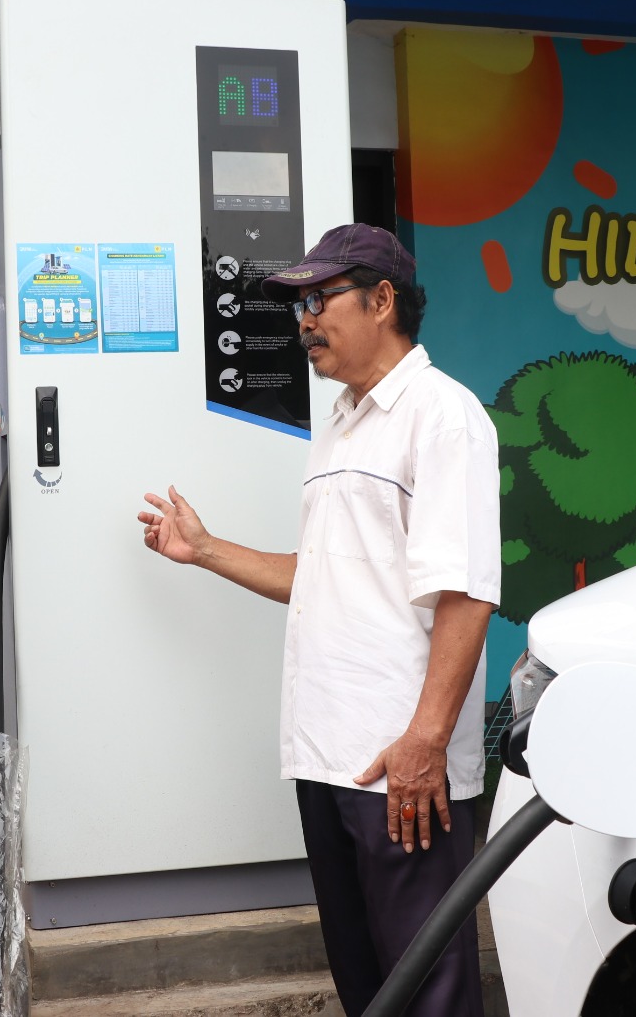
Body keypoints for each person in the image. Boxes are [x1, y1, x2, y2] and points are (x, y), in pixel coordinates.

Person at [138, 225, 499, 1017]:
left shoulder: (443, 416)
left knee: (427, 989)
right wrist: (206, 551)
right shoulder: (339, 421)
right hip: (328, 755)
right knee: (366, 981)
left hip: (400, 763)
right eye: (297, 305)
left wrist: (425, 742)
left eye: (320, 299)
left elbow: (467, 594)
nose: (304, 320)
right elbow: (330, 578)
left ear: (382, 300)